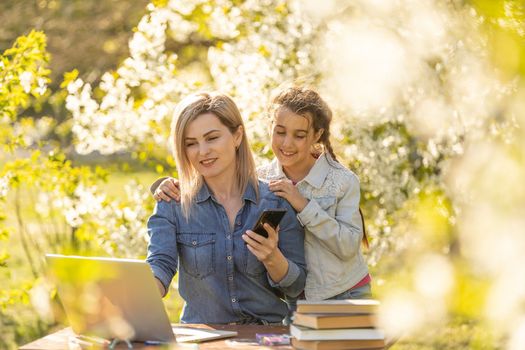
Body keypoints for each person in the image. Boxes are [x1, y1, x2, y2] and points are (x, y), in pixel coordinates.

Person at [152, 86, 370, 302]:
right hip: (300, 300)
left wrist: (302, 205)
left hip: (344, 291)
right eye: (280, 132)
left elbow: (349, 246)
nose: (287, 143)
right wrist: (164, 186)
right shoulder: (266, 180)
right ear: (271, 129)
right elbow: (218, 179)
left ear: (317, 135)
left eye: (299, 135)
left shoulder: (338, 181)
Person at [147, 91, 306, 325]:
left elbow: (296, 287)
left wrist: (273, 258)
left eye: (211, 138)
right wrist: (138, 291)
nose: (202, 152)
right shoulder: (173, 204)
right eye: (191, 144)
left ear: (237, 136)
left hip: (266, 337)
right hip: (204, 337)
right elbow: (160, 263)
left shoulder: (275, 201)